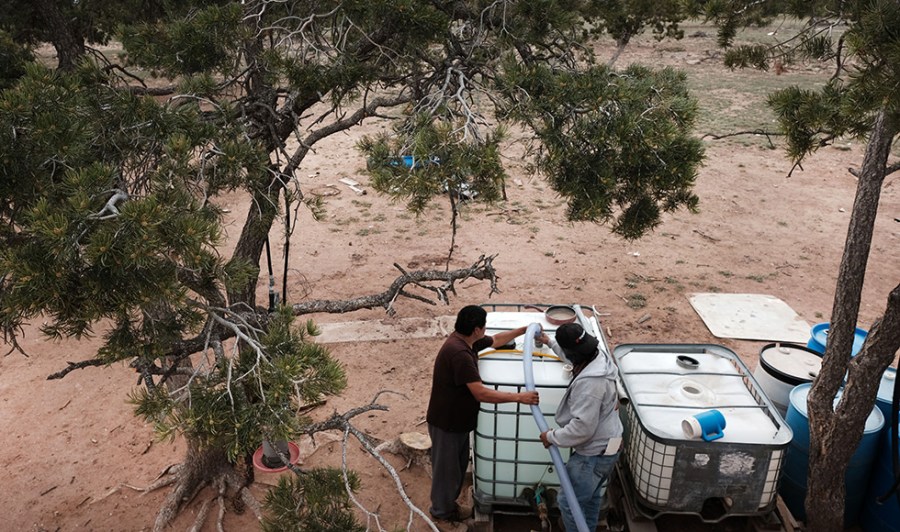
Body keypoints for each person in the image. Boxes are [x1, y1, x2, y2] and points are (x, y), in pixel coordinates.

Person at [426, 305, 540, 524]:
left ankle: (449, 507)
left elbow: (496, 340)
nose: (485, 330)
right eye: (484, 326)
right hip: (447, 424)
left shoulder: (467, 341)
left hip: (457, 423)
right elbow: (480, 392)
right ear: (477, 329)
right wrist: (519, 397)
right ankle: (441, 514)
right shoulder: (459, 354)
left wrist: (523, 330)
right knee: (446, 473)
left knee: (456, 469)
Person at [538, 322, 623, 532]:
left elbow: (582, 429)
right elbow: (572, 357)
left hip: (593, 455)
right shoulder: (596, 356)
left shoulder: (590, 385)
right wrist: (549, 342)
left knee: (570, 503)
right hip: (610, 446)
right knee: (592, 498)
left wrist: (551, 436)